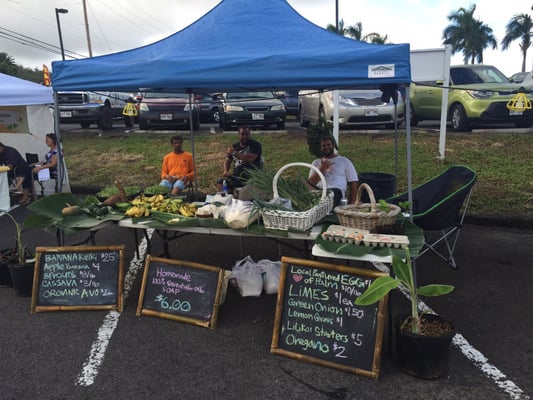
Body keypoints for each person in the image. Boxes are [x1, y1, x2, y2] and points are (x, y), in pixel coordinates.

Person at [308, 136, 359, 206]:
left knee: (333, 192)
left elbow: (354, 182)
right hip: (319, 192)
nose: (326, 147)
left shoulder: (344, 161)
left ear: (333, 146)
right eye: (323, 146)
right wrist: (322, 169)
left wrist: (352, 203)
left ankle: (322, 202)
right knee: (303, 182)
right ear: (320, 148)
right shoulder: (316, 162)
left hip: (336, 193)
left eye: (328, 145)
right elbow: (311, 183)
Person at [217, 126, 262, 193]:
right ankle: (229, 197)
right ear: (239, 134)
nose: (244, 136)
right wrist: (226, 170)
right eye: (242, 134)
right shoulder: (235, 146)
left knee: (243, 190)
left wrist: (235, 153)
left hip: (250, 178)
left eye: (247, 134)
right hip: (236, 177)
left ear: (250, 134)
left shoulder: (255, 145)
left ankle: (236, 195)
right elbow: (228, 160)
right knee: (220, 182)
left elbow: (249, 158)